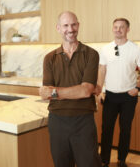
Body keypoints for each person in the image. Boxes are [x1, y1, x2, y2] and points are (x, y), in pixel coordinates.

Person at [39, 11, 101, 167]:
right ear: (58, 28)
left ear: (78, 26)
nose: (70, 29)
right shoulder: (50, 58)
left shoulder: (91, 54)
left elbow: (86, 90)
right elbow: (46, 94)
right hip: (57, 122)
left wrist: (56, 92)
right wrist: (75, 90)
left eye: (73, 24)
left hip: (83, 122)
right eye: (66, 25)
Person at [96, 18, 140, 167]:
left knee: (125, 129)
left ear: (127, 30)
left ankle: (122, 160)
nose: (118, 30)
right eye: (115, 27)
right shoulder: (106, 49)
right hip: (110, 95)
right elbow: (102, 70)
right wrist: (100, 90)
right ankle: (104, 160)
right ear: (112, 29)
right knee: (106, 129)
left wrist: (138, 88)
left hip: (128, 97)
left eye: (121, 27)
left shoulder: (135, 49)